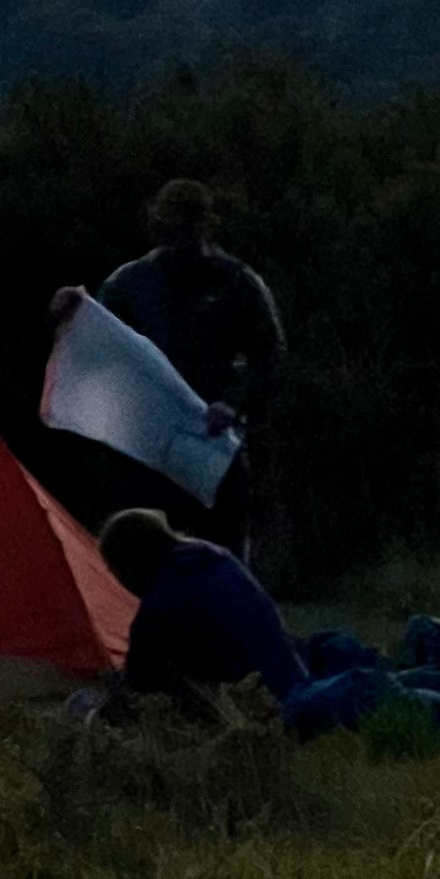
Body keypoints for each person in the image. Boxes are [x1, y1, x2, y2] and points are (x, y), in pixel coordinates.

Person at [71, 177, 287, 557]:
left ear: (205, 229)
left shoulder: (237, 283)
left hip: (212, 449)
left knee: (222, 557)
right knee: (144, 563)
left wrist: (233, 403)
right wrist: (68, 312)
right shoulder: (130, 283)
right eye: (169, 232)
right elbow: (96, 341)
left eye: (186, 233)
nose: (177, 245)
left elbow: (269, 356)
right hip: (148, 451)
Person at [101, 506, 307, 707]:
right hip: (292, 675)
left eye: (116, 571)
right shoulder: (216, 559)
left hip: (256, 699)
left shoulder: (160, 604)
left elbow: (141, 682)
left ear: (130, 564)